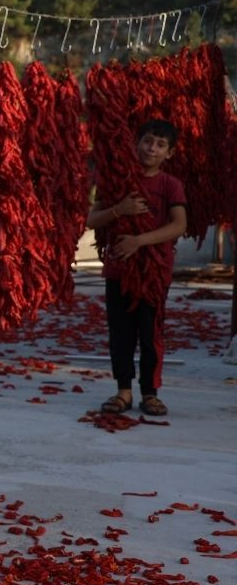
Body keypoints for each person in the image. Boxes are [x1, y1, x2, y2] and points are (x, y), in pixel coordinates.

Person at [86, 119, 187, 417]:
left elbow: (179, 225)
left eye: (160, 145)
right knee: (120, 333)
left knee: (150, 332)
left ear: (169, 153)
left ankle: (150, 393)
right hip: (120, 271)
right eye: (147, 141)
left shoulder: (171, 185)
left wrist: (138, 241)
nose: (151, 149)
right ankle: (123, 392)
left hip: (154, 274)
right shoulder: (117, 181)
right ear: (136, 143)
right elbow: (92, 221)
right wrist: (121, 209)